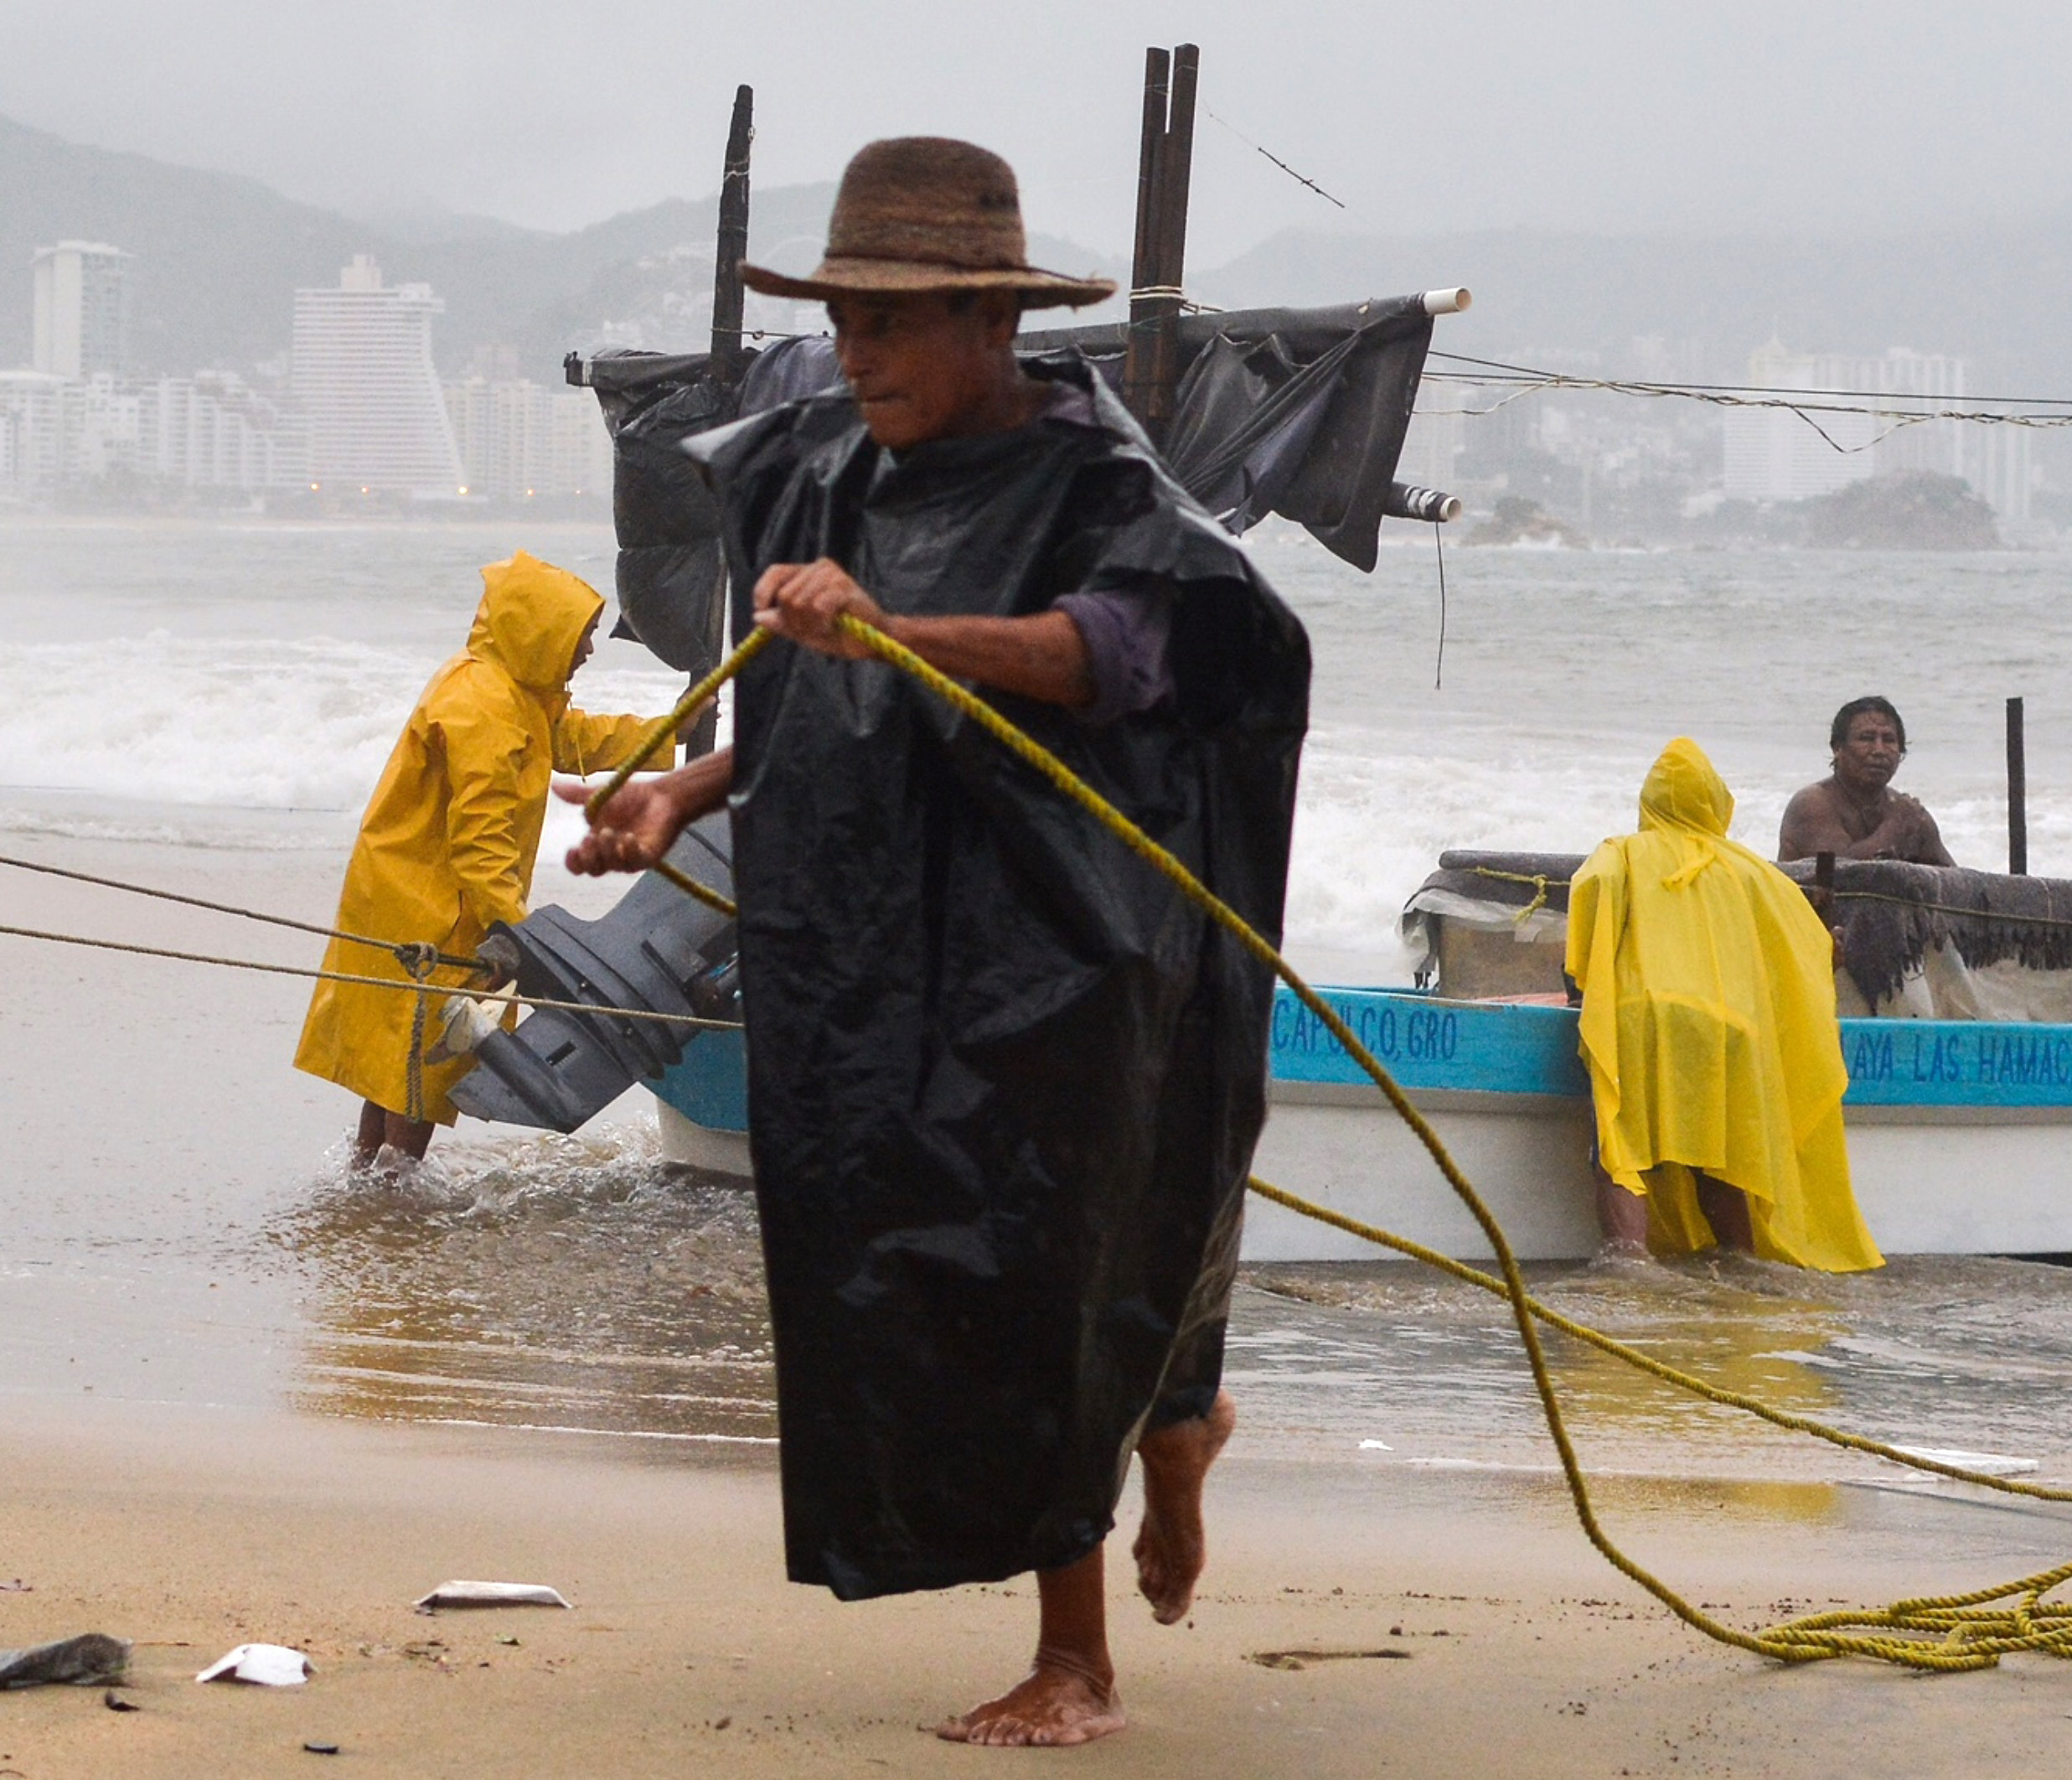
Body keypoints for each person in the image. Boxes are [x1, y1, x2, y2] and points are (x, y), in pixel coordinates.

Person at [561, 137, 1310, 1749]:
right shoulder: (831, 467)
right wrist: (681, 794)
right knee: (920, 1253)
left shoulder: (1103, 486)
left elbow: (1102, 655)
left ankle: (1080, 1655)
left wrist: (895, 629)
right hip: (893, 941)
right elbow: (808, 702)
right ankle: (1177, 1427)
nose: (857, 352)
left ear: (992, 321)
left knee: (1049, 1258)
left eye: (891, 322)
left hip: (1080, 946)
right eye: (841, 318)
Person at [293, 551, 686, 1170]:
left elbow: (572, 740)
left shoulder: (504, 686)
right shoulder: (485, 710)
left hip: (403, 886)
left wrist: (671, 733)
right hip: (432, 902)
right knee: (429, 1053)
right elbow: (480, 847)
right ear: (540, 631)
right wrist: (523, 935)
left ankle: (368, 1174)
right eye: (580, 639)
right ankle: (397, 1187)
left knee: (396, 1050)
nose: (586, 652)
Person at [1569, 737, 1883, 1273]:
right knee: (1721, 1161)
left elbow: (1589, 899)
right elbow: (1808, 944)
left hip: (1642, 1017)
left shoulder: (1621, 852)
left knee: (1622, 1155)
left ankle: (1629, 1263)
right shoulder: (1749, 872)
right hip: (1727, 1029)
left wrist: (1579, 981)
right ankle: (1742, 1263)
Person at [1778, 695, 1955, 867]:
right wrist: (1894, 826)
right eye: (1867, 738)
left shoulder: (1906, 812)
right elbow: (1836, 875)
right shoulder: (1813, 804)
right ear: (1838, 748)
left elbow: (1957, 880)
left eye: (1889, 740)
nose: (1879, 750)